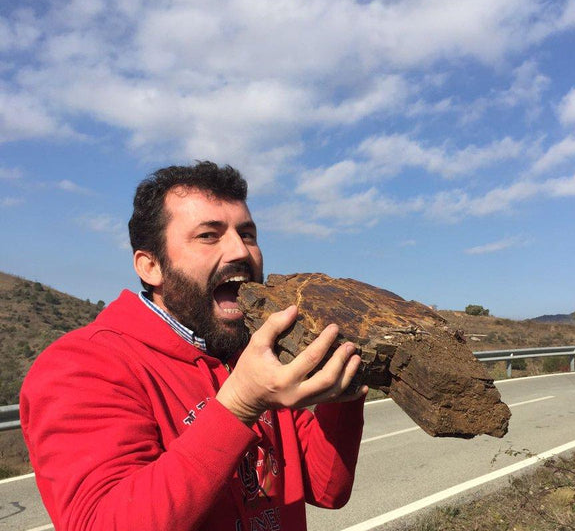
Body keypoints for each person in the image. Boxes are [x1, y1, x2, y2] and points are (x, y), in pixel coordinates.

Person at [21, 161, 367, 531]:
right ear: (150, 266)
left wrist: (345, 386)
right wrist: (239, 404)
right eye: (209, 235)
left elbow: (326, 487)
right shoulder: (82, 366)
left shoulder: (252, 354)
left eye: (248, 234)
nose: (240, 251)